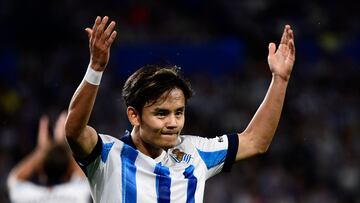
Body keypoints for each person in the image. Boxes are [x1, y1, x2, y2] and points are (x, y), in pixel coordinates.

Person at [65, 16, 295, 202]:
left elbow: (256, 141)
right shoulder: (107, 156)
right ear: (134, 115)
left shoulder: (195, 153)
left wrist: (280, 80)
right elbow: (74, 131)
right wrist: (95, 68)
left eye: (179, 112)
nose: (173, 123)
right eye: (161, 113)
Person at [7, 112, 91, 203]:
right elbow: (85, 174)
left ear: (40, 170)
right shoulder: (78, 194)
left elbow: (14, 179)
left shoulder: (26, 197)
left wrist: (41, 151)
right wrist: (63, 145)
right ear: (69, 171)